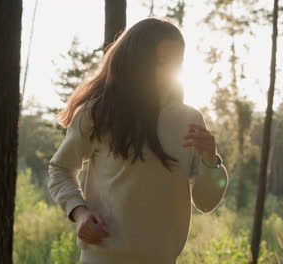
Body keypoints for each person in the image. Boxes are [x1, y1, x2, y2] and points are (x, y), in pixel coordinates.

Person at [47, 17, 229, 264]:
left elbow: (206, 202)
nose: (168, 71)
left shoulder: (190, 120)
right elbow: (60, 169)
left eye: (176, 63)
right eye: (160, 62)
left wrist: (210, 161)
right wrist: (79, 213)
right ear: (137, 62)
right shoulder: (99, 113)